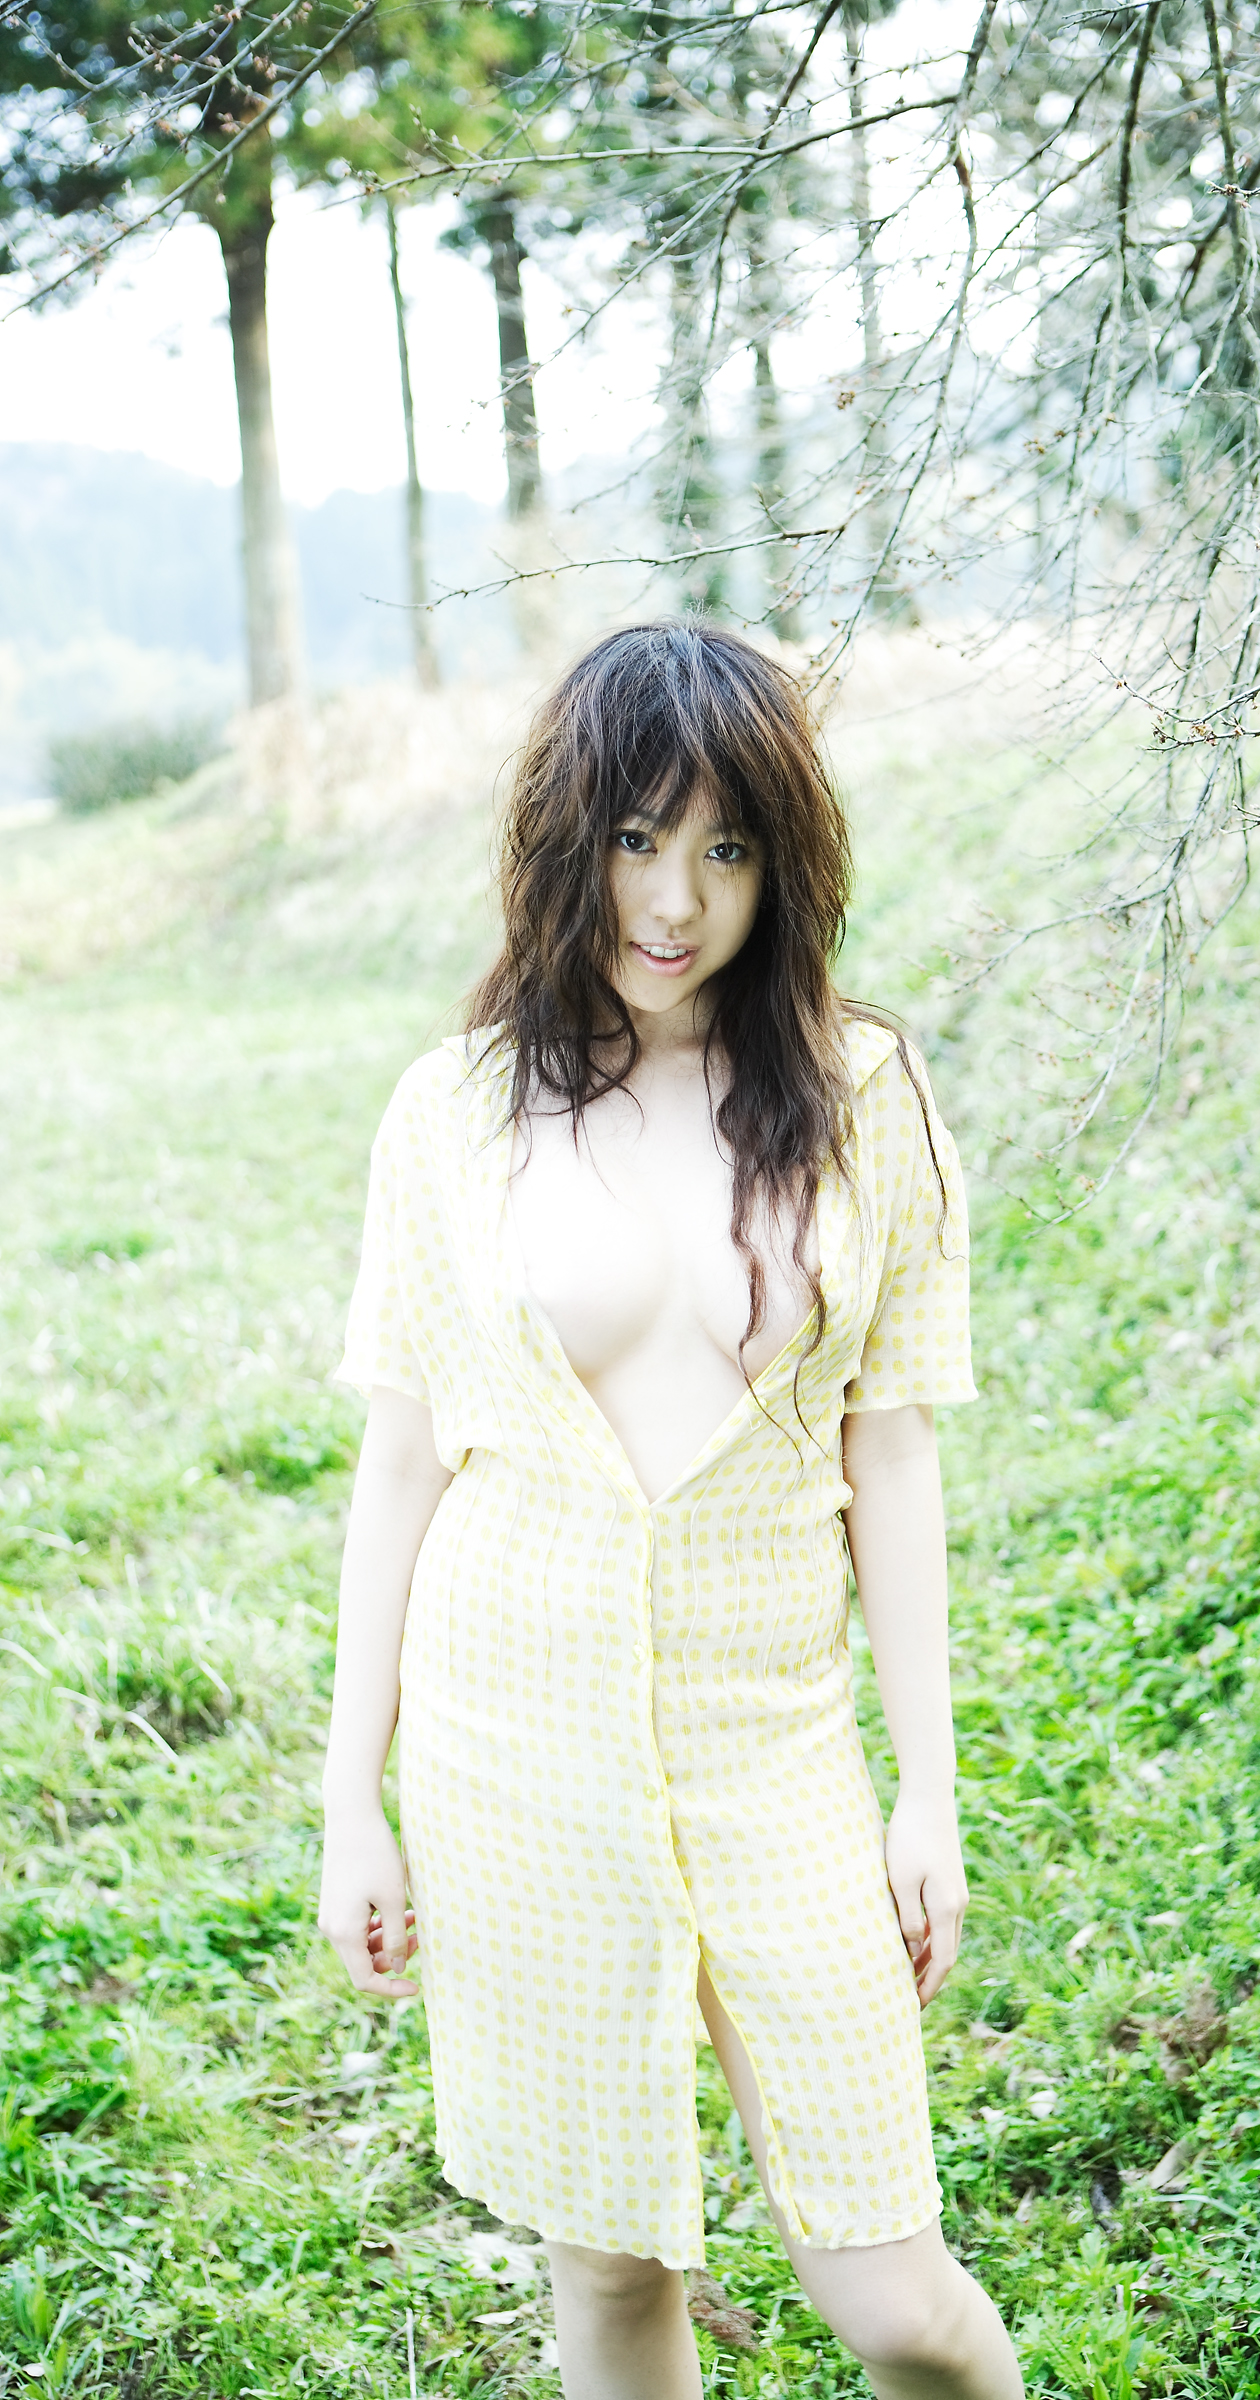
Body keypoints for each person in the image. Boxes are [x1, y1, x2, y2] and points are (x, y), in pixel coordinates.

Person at [317, 623, 1022, 2400]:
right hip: (513, 1748)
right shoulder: (453, 1112)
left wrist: (927, 1789)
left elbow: (891, 1452)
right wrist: (350, 1804)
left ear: (786, 865)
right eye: (637, 837)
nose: (675, 898)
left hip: (773, 1741)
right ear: (567, 841)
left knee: (898, 2300)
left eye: (726, 847)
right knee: (613, 2271)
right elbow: (400, 1462)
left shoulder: (867, 1095)